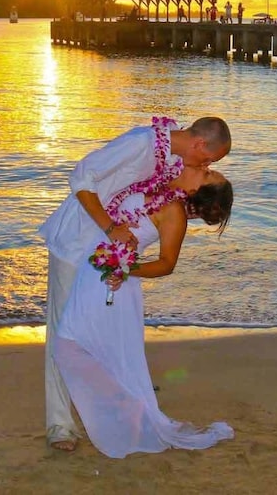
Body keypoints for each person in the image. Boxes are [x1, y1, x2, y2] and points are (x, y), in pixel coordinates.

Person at [38, 116, 232, 452]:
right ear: (199, 144)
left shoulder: (173, 162)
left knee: (90, 339)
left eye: (211, 167)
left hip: (104, 258)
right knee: (62, 334)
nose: (209, 165)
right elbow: (82, 176)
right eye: (210, 160)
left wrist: (127, 260)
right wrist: (111, 228)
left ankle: (104, 412)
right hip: (77, 241)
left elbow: (165, 222)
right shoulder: (142, 144)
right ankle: (61, 424)